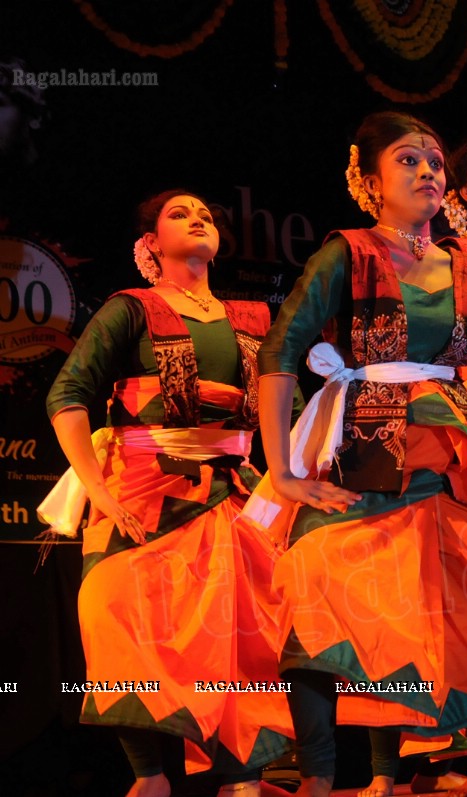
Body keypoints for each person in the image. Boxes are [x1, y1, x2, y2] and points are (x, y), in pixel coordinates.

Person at [247, 111, 467, 797]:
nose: (428, 170)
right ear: (368, 183)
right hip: (363, 457)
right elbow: (282, 350)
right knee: (311, 602)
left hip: (457, 461)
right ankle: (317, 777)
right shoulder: (348, 254)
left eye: (433, 159)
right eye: (407, 160)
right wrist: (281, 469)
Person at [40, 190, 292, 797]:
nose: (198, 218)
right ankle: (149, 778)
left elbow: (291, 411)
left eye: (205, 213)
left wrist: (292, 478)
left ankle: (244, 779)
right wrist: (96, 487)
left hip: (230, 490)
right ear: (149, 242)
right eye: (180, 214)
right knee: (115, 615)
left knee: (236, 634)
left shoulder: (253, 319)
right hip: (138, 487)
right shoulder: (134, 309)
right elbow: (67, 393)